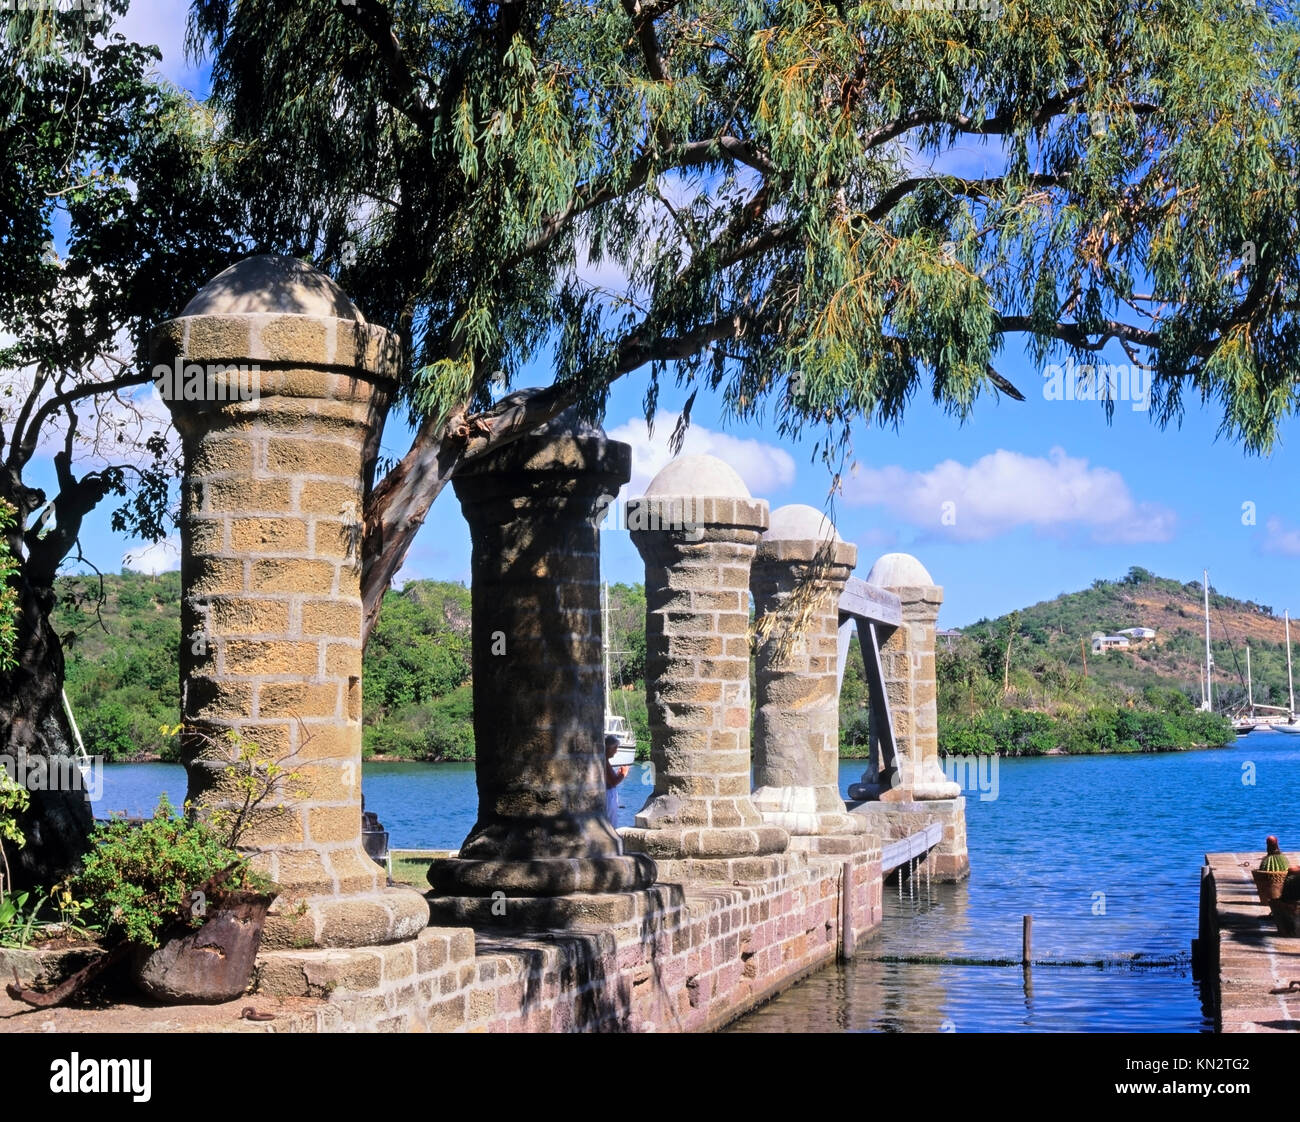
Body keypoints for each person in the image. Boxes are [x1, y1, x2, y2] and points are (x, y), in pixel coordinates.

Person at [604, 734, 628, 827]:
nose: (616, 751)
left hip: (609, 794)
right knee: (611, 823)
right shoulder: (605, 761)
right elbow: (613, 782)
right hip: (608, 796)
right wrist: (623, 774)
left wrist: (618, 774)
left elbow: (611, 779)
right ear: (609, 748)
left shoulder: (605, 761)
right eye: (615, 748)